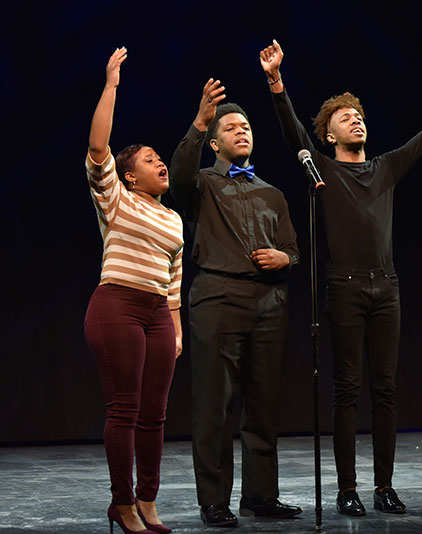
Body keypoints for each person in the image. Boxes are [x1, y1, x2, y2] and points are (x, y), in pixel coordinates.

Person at [260, 39, 422, 515]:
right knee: (348, 389)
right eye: (344, 116)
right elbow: (294, 136)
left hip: (387, 286)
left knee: (387, 388)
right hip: (346, 287)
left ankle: (384, 487)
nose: (356, 118)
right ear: (329, 135)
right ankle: (347, 489)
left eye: (359, 114)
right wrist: (276, 83)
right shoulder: (323, 169)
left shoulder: (385, 168)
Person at [169, 77, 302, 526]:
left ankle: (261, 496)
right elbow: (179, 176)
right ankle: (214, 500)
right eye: (229, 128)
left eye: (245, 126)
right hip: (217, 296)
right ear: (214, 143)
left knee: (264, 405)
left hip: (268, 300)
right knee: (215, 404)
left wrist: (285, 256)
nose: (241, 131)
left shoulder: (273, 192)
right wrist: (200, 120)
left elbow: (293, 248)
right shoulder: (202, 183)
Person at [84, 48, 183, 534]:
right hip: (117, 306)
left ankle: (147, 501)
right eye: (150, 160)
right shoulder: (115, 198)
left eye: (161, 158)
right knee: (124, 408)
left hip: (158, 314)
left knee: (155, 414)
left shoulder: (174, 218)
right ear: (129, 175)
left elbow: (174, 280)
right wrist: (111, 86)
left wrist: (177, 328)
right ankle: (121, 503)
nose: (161, 163)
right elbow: (99, 147)